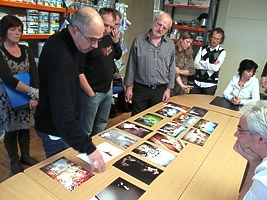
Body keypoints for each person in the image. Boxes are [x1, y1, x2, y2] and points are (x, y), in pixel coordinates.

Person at [34, 7, 106, 172]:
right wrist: (90, 148)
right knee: (62, 179)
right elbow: (63, 118)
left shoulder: (64, 41)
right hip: (56, 131)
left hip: (60, 127)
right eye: (91, 39)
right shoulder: (61, 58)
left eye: (98, 40)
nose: (95, 45)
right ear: (75, 30)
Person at [0, 15, 39, 174]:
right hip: (7, 99)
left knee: (25, 128)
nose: (17, 33)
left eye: (19, 30)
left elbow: (34, 73)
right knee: (11, 130)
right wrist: (32, 91)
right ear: (4, 31)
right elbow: (7, 78)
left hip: (27, 96)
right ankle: (14, 161)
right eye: (12, 29)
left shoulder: (26, 49)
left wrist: (34, 95)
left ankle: (26, 156)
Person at [77, 8, 122, 136]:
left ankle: (95, 150)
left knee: (101, 125)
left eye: (111, 26)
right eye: (105, 24)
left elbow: (113, 58)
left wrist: (110, 85)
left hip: (107, 91)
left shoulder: (108, 37)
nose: (107, 29)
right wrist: (90, 93)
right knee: (86, 129)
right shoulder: (88, 39)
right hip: (92, 93)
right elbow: (78, 70)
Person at [124, 11, 175, 116]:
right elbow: (131, 66)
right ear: (153, 21)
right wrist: (129, 87)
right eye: (159, 24)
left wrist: (168, 89)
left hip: (160, 90)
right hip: (140, 89)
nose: (160, 29)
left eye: (164, 28)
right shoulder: (139, 41)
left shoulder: (170, 44)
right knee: (136, 120)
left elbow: (172, 68)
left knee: (155, 119)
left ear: (167, 30)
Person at [233, 100, 267, 199]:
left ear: (260, 139)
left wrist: (254, 164)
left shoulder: (264, 179)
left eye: (241, 131)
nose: (235, 134)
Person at [190, 27, 226, 95]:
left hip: (210, 86)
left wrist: (202, 62)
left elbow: (215, 68)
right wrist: (211, 64)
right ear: (210, 37)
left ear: (221, 40)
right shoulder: (202, 48)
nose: (214, 40)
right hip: (197, 83)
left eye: (217, 39)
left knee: (204, 105)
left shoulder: (222, 52)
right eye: (213, 37)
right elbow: (195, 65)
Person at [171, 31, 195, 95]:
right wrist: (178, 71)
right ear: (181, 39)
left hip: (182, 87)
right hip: (171, 85)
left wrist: (180, 71)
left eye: (190, 43)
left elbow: (192, 71)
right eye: (187, 42)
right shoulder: (172, 50)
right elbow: (173, 69)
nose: (188, 45)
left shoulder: (188, 54)